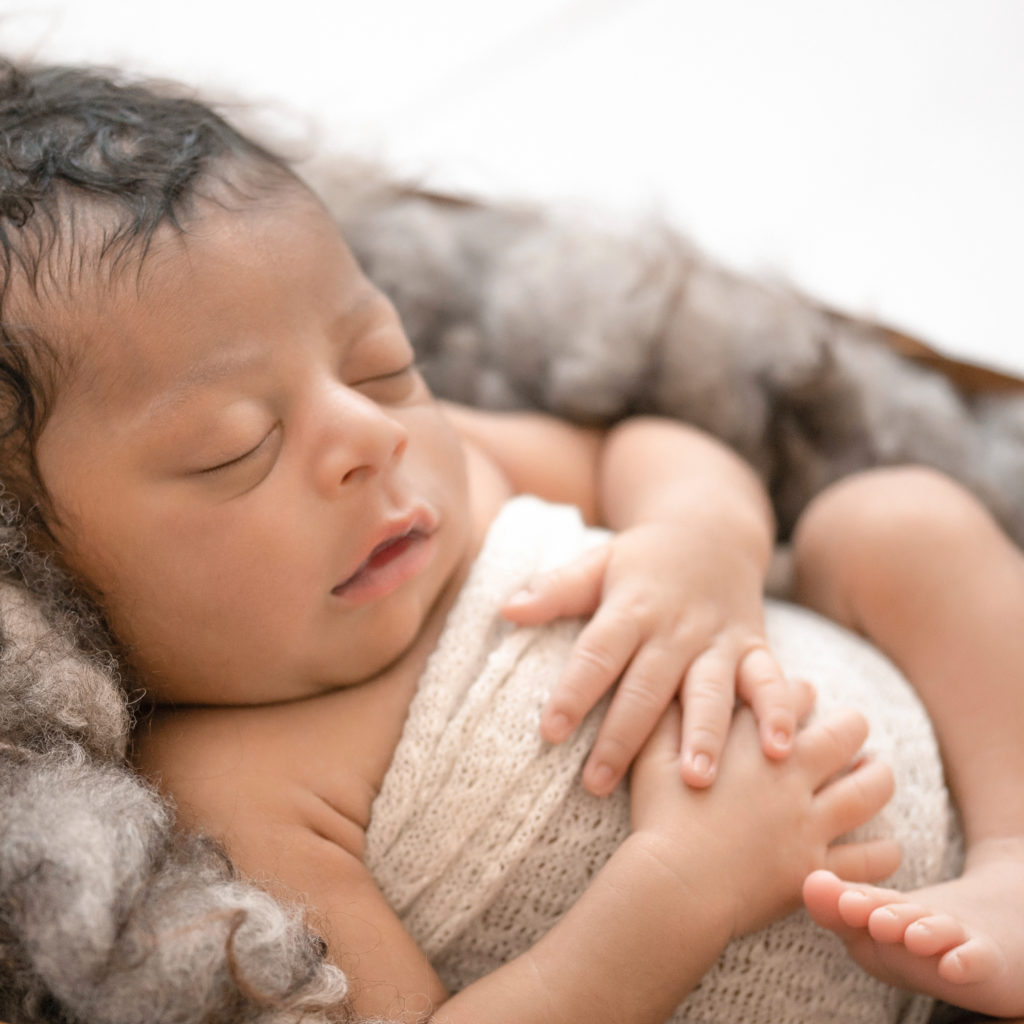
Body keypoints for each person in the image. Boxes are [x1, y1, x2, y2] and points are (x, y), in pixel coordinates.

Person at [0, 57, 1020, 1022]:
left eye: (380, 364)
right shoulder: (239, 787)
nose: (369, 434)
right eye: (240, 449)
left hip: (946, 750)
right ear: (44, 574)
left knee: (895, 521)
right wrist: (682, 883)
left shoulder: (463, 469)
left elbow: (647, 446)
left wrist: (697, 547)